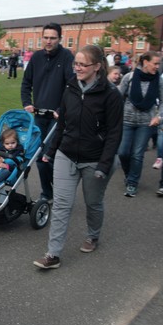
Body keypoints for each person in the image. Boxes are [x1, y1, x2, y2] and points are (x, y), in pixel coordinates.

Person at [33, 45, 124, 269]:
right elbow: (62, 124)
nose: (78, 68)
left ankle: (93, 236)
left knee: (93, 203)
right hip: (66, 155)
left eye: (83, 64)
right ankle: (53, 254)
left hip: (95, 159)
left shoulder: (111, 95)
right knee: (62, 205)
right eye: (76, 64)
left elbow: (115, 133)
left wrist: (104, 165)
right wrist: (51, 151)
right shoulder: (70, 88)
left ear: (97, 66)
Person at [20, 22, 74, 201]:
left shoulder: (67, 57)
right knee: (38, 156)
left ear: (60, 39)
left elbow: (71, 86)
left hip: (57, 117)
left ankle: (59, 189)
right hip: (39, 115)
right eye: (46, 37)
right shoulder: (36, 58)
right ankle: (48, 192)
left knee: (48, 156)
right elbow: (26, 83)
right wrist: (27, 102)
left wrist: (61, 109)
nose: (49, 41)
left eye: (53, 38)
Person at [117, 51, 163, 198]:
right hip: (127, 120)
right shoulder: (129, 77)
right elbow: (117, 97)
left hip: (146, 123)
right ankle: (129, 174)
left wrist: (159, 116)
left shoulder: (159, 80)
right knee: (123, 152)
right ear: (145, 62)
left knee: (137, 154)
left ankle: (132, 182)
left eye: (159, 64)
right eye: (155, 63)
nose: (157, 67)